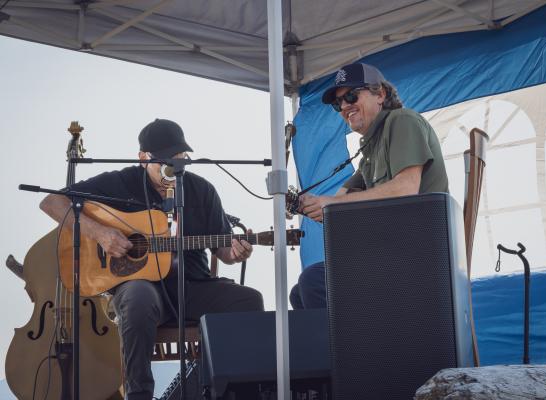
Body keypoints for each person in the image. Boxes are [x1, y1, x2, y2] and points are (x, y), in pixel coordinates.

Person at [40, 119, 264, 400]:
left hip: (193, 286)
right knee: (138, 297)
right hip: (143, 288)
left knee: (249, 300)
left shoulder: (201, 189)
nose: (173, 165)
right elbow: (52, 202)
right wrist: (100, 233)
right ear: (143, 158)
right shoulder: (120, 182)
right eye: (165, 159)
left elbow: (224, 250)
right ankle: (139, 394)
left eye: (179, 158)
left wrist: (235, 252)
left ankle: (236, 390)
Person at [290, 63, 449, 309]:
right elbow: (339, 202)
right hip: (392, 257)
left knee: (314, 283)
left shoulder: (402, 121)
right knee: (299, 293)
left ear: (380, 94)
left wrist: (329, 204)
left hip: (419, 258)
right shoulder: (370, 150)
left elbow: (406, 188)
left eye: (351, 96)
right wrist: (306, 204)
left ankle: (364, 335)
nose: (344, 107)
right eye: (338, 104)